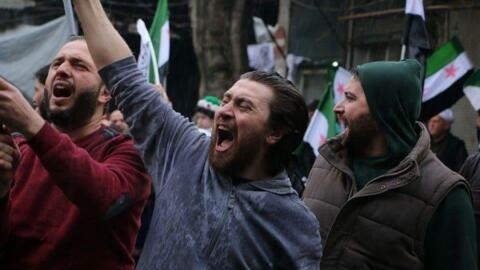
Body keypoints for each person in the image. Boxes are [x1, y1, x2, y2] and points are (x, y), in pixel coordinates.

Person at [72, 1, 322, 269]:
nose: (224, 111)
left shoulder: (296, 226)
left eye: (243, 106)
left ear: (274, 133)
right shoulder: (185, 150)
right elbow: (125, 77)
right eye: (226, 100)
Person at [303, 60, 477, 270]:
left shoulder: (445, 194)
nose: (338, 108)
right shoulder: (326, 162)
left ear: (383, 110)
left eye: (350, 98)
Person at [0, 36, 151, 270]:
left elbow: (104, 198)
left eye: (79, 65)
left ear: (105, 93)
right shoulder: (20, 150)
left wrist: (32, 125)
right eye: (56, 63)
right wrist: (1, 191)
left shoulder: (129, 153)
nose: (62, 70)